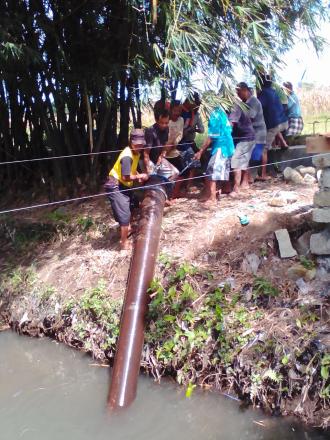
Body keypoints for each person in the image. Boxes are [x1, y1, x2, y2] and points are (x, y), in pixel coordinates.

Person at [105, 129, 149, 250]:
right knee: (124, 215)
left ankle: (128, 228)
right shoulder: (127, 156)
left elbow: (131, 170)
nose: (139, 146)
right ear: (131, 142)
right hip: (116, 185)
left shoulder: (136, 152)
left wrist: (138, 174)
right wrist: (140, 176)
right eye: (137, 144)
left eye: (141, 144)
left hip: (123, 184)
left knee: (133, 204)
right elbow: (126, 176)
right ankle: (123, 243)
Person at [194, 107, 234, 204]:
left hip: (221, 147)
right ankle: (218, 192)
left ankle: (212, 198)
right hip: (228, 146)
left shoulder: (215, 114)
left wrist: (200, 151)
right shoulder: (222, 113)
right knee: (220, 170)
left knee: (212, 170)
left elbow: (212, 136)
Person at [257, 74, 288, 180]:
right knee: (274, 130)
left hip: (273, 125)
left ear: (261, 83)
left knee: (264, 150)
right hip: (283, 122)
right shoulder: (274, 91)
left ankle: (263, 174)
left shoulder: (263, 93)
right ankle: (284, 143)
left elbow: (258, 107)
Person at [236, 82, 266, 182]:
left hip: (258, 131)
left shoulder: (252, 102)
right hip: (254, 131)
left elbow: (250, 117)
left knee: (255, 154)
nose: (238, 96)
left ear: (245, 91)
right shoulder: (246, 102)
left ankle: (253, 176)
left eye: (239, 93)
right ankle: (252, 176)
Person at [228, 102, 255, 195]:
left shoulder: (235, 106)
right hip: (243, 136)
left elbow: (231, 124)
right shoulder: (237, 105)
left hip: (245, 137)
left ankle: (236, 188)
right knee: (243, 161)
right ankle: (245, 182)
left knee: (236, 161)